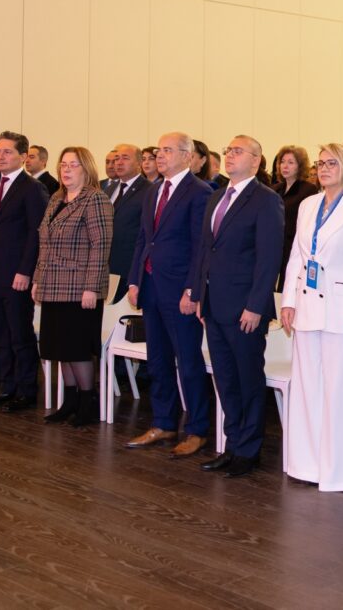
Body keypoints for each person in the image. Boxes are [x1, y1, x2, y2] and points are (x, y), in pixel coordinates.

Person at [191, 135, 284, 478]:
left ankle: (249, 449)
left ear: (256, 161)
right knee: (225, 379)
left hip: (245, 307)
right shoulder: (217, 195)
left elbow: (269, 258)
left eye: (238, 151)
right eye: (228, 151)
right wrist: (199, 295)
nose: (230, 156)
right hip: (214, 304)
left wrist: (256, 305)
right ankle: (232, 445)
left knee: (247, 379)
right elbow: (205, 249)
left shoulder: (266, 200)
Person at [279, 143, 343, 491]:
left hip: (340, 307)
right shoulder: (308, 204)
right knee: (305, 387)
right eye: (321, 163)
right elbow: (297, 257)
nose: (324, 169)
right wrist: (288, 300)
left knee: (337, 391)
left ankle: (337, 471)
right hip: (306, 304)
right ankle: (305, 464)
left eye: (332, 163)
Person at [125, 132, 213, 456]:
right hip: (151, 287)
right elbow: (143, 239)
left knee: (188, 362)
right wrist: (134, 280)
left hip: (180, 292)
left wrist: (192, 290)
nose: (159, 155)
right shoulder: (154, 191)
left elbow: (201, 247)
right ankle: (163, 422)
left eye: (167, 150)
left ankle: (197, 429)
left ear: (187, 156)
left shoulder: (200, 192)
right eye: (158, 150)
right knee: (158, 360)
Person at [34, 146, 113, 426]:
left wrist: (91, 287)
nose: (66, 170)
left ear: (86, 169)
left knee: (77, 348)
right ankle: (69, 402)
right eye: (63, 165)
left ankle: (87, 403)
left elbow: (100, 246)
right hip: (52, 284)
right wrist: (37, 279)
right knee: (59, 348)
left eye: (73, 165)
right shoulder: (56, 198)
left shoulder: (95, 199)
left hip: (79, 289)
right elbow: (44, 243)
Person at [0, 132, 49, 412]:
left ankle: (26, 390)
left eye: (8, 152)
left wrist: (26, 271)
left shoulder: (32, 188)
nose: (1, 156)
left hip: (17, 274)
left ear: (23, 157)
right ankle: (7, 386)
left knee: (19, 334)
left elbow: (36, 233)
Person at [106, 144, 153, 303]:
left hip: (128, 267)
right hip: (105, 266)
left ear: (139, 162)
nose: (118, 163)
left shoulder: (149, 190)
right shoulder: (108, 189)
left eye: (125, 158)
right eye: (116, 159)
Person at [274, 146, 318, 291]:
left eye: (291, 162)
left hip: (293, 246)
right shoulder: (275, 189)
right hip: (275, 245)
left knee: (287, 287)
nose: (285, 166)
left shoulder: (308, 189)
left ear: (300, 166)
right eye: (282, 162)